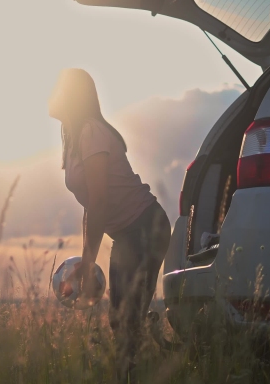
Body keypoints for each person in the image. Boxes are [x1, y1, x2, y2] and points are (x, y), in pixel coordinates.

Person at [48, 69, 171, 378]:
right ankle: (153, 348)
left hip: (145, 227)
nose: (50, 94)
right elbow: (92, 205)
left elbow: (100, 201)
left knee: (125, 320)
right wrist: (85, 257)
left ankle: (139, 369)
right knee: (122, 320)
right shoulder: (76, 139)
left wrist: (89, 266)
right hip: (127, 233)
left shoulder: (91, 132)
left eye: (57, 89)